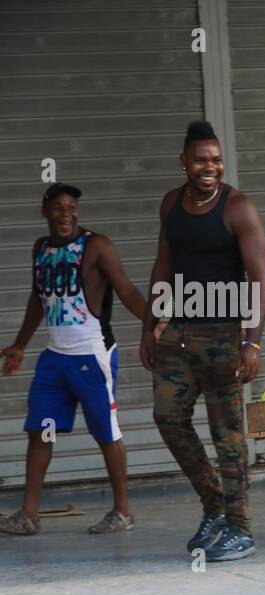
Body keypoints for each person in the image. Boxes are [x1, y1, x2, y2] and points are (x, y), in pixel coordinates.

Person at [142, 120, 265, 562]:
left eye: (215, 159)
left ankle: (241, 529)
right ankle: (214, 505)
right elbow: (163, 264)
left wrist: (252, 343)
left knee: (228, 436)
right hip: (178, 331)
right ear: (184, 162)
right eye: (200, 159)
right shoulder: (170, 205)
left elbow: (260, 276)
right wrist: (149, 324)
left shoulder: (239, 208)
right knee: (167, 416)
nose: (209, 166)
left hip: (223, 335)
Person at [0, 183, 149, 535]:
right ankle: (28, 515)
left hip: (91, 356)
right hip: (55, 360)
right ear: (45, 212)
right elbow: (39, 298)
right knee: (42, 431)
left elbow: (126, 290)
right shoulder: (41, 248)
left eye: (72, 207)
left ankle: (122, 511)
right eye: (58, 207)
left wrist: (157, 325)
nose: (67, 214)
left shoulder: (97, 246)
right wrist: (20, 344)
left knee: (105, 433)